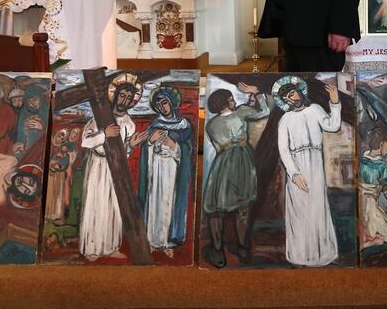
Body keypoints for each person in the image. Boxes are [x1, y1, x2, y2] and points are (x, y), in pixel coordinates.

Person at [78, 73, 151, 261]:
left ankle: (111, 247)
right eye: (122, 95)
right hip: (98, 166)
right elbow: (85, 142)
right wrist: (105, 134)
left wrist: (131, 146)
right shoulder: (99, 117)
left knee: (115, 207)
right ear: (115, 95)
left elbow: (124, 152)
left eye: (128, 98)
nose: (124, 100)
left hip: (116, 169)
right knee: (95, 205)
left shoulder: (129, 123)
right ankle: (91, 249)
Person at [201, 83, 272, 268]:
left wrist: (249, 102)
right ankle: (242, 247)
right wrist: (256, 93)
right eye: (231, 99)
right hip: (242, 159)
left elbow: (219, 146)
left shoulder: (211, 125)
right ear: (224, 102)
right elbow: (263, 111)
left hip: (222, 162)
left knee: (216, 206)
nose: (234, 101)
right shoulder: (241, 112)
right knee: (243, 205)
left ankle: (217, 250)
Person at [276, 77, 343, 267]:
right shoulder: (285, 119)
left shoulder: (315, 110)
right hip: (297, 166)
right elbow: (283, 149)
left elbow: (333, 125)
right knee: (299, 210)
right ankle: (300, 256)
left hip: (315, 162)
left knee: (318, 207)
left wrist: (335, 102)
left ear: (299, 92)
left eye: (292, 94)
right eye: (286, 98)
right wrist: (294, 173)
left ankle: (323, 255)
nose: (290, 99)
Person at [140, 86, 193, 256]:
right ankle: (153, 240)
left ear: (172, 103)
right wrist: (150, 142)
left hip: (173, 170)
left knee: (169, 202)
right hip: (155, 168)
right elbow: (146, 145)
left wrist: (176, 146)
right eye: (159, 105)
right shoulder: (155, 124)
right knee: (154, 201)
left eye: (165, 103)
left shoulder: (184, 125)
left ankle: (168, 241)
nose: (163, 107)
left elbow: (188, 149)